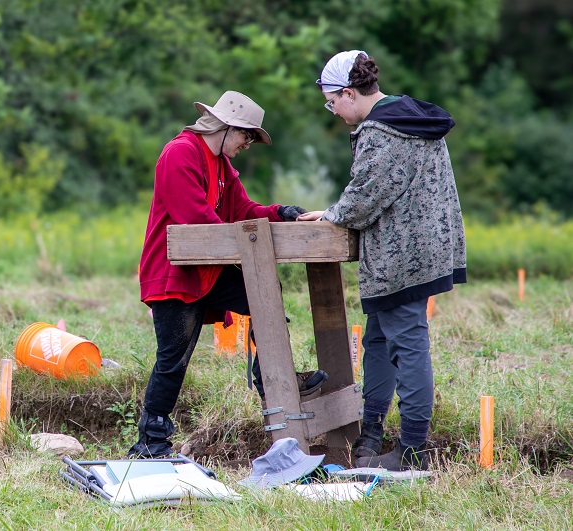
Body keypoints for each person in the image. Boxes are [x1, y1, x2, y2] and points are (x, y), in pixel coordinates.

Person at [298, 51, 466, 470]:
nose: (332, 110)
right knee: (377, 339)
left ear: (349, 93)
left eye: (331, 102)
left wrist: (333, 214)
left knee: (408, 346)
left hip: (400, 256)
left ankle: (412, 451)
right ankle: (370, 434)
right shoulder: (411, 118)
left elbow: (366, 195)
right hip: (422, 248)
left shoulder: (383, 130)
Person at [129, 90, 319, 459]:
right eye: (247, 136)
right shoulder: (180, 153)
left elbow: (242, 209)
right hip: (174, 273)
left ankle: (273, 380)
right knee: (173, 360)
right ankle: (150, 444)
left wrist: (281, 212)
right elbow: (197, 220)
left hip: (208, 270)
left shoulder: (222, 166)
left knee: (265, 293)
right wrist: (243, 250)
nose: (248, 144)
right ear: (228, 127)